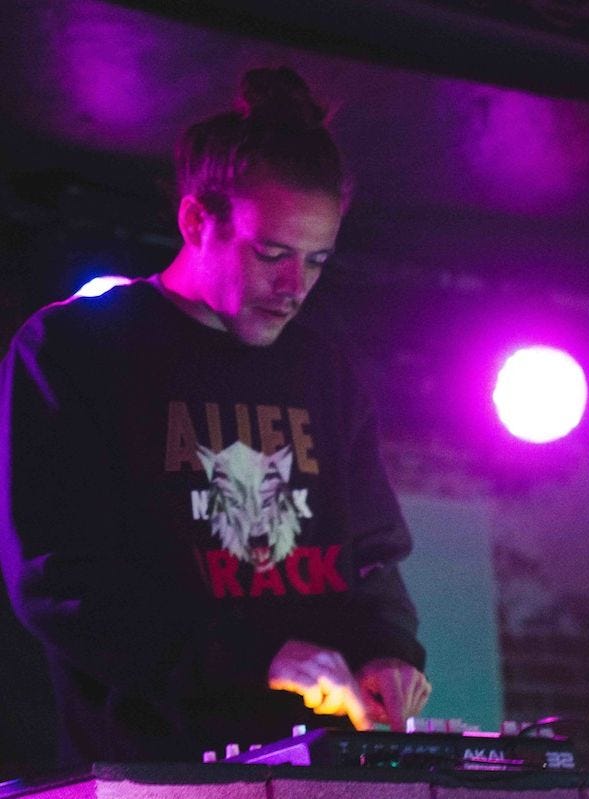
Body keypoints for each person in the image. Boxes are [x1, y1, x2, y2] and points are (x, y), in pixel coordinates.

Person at [0, 67, 430, 767]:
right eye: (271, 254)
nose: (293, 287)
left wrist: (387, 649)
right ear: (197, 221)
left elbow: (373, 555)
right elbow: (61, 583)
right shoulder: (75, 350)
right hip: (149, 767)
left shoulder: (324, 369)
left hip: (316, 765)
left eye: (316, 261)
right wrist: (259, 657)